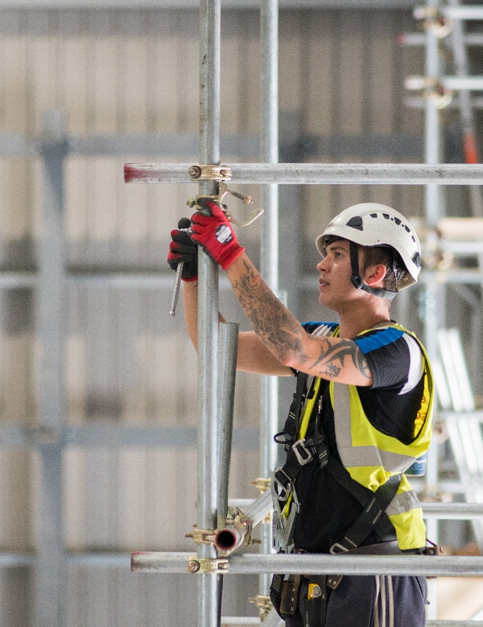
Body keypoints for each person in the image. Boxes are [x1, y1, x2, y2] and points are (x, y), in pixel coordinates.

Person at [168, 200, 434, 627]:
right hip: (315, 572)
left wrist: (231, 255)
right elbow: (217, 348)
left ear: (375, 273)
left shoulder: (397, 352)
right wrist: (194, 279)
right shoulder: (319, 338)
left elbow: (295, 349)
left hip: (374, 568)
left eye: (337, 254)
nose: (321, 264)